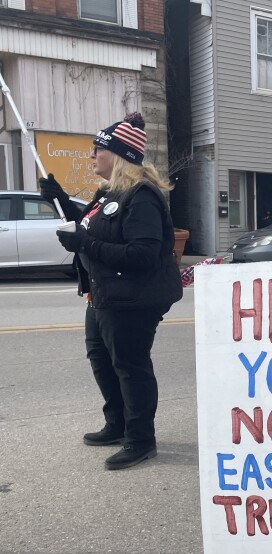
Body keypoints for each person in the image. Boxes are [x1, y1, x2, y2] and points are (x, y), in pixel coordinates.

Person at [39, 112, 183, 470]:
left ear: (117, 155)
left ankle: (140, 439)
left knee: (130, 367)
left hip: (133, 299)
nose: (91, 157)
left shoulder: (143, 197)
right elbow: (91, 226)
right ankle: (116, 424)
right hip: (104, 295)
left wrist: (83, 244)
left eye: (96, 151)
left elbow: (142, 254)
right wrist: (58, 199)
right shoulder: (108, 194)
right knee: (102, 361)